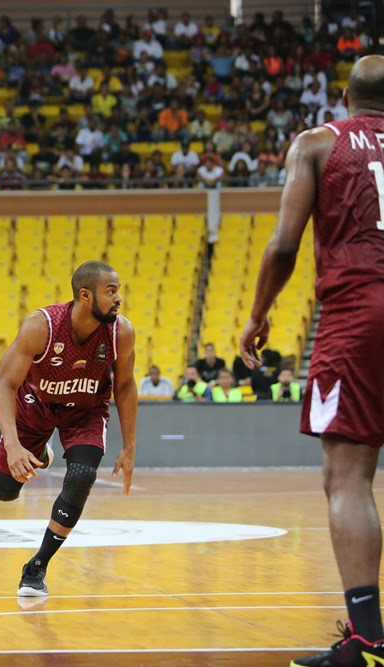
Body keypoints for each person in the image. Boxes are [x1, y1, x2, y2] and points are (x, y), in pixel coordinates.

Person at [240, 55, 384, 666]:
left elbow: (283, 244)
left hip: (359, 312)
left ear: (346, 96)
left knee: (348, 476)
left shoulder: (319, 143)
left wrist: (257, 315)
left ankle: (369, 640)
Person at [0, 261, 137, 597]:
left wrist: (129, 445)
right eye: (111, 291)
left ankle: (38, 565)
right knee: (4, 491)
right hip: (35, 407)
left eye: (118, 290)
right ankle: (39, 451)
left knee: (83, 474)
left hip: (85, 413)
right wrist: (14, 446)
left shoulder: (121, 332)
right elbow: (4, 384)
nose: (119, 299)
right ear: (85, 295)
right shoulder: (41, 326)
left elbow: (126, 385)